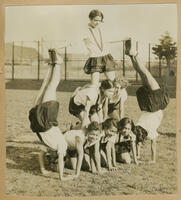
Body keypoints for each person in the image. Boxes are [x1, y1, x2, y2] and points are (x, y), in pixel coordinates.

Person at [29, 49, 74, 181]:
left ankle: (54, 64)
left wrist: (43, 169)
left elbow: (40, 154)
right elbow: (60, 160)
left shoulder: (48, 148)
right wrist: (62, 177)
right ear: (62, 155)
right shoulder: (62, 147)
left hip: (40, 122)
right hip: (43, 120)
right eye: (55, 158)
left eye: (52, 159)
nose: (53, 157)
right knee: (50, 86)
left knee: (47, 86)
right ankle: (56, 63)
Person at [125, 39, 169, 163]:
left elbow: (149, 144)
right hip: (149, 104)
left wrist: (151, 159)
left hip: (155, 104)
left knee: (144, 73)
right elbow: (137, 139)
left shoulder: (147, 132)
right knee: (143, 73)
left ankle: (133, 54)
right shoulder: (138, 126)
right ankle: (133, 55)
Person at [83, 9, 117, 86]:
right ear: (90, 19)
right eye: (95, 20)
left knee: (112, 82)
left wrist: (124, 38)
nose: (97, 22)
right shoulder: (84, 30)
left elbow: (111, 38)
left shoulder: (103, 29)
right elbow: (73, 41)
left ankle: (110, 97)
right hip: (95, 58)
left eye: (99, 20)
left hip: (106, 56)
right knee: (94, 85)